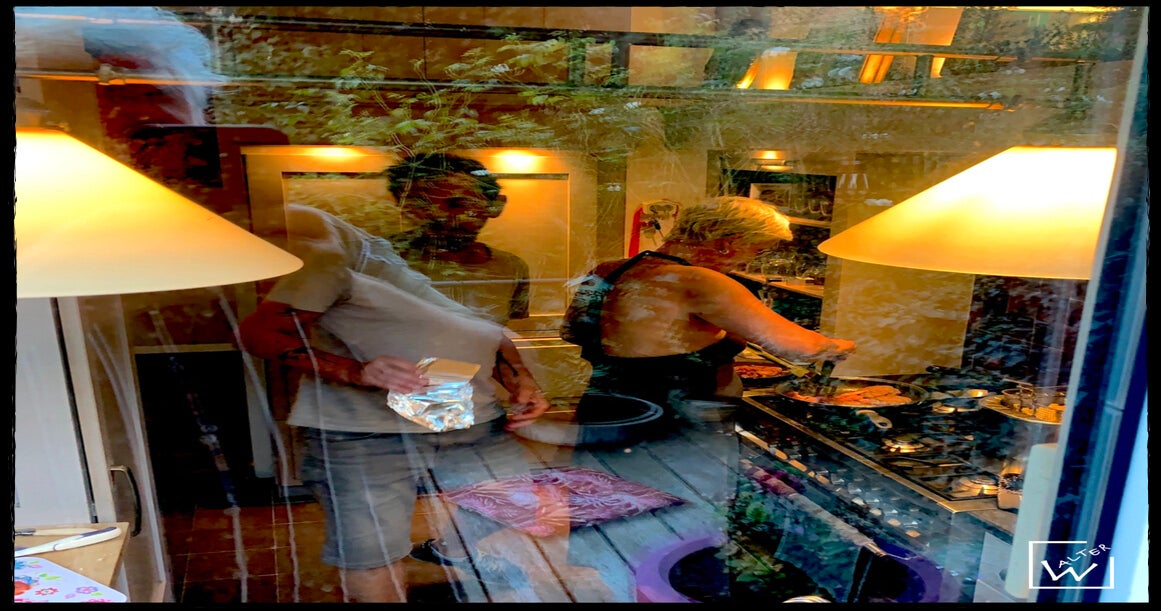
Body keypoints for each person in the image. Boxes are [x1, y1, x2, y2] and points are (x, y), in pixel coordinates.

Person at [238, 201, 551, 602]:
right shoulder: (328, 264)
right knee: (372, 554)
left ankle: (450, 549)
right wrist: (355, 371)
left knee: (512, 499)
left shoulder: (404, 266)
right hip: (363, 432)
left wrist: (520, 377)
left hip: (459, 412)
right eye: (447, 203)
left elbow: (488, 333)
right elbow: (257, 334)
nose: (459, 215)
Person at [558, 195, 856, 595]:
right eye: (757, 250)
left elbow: (573, 331)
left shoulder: (611, 270)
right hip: (673, 424)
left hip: (606, 410)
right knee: (679, 528)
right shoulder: (700, 281)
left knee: (616, 514)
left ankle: (623, 589)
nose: (751, 262)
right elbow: (800, 347)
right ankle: (664, 592)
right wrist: (842, 344)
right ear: (727, 243)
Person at [386, 153, 531, 326]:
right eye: (422, 204)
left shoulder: (510, 267)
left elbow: (511, 330)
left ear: (495, 206)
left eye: (459, 204)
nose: (438, 215)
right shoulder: (379, 259)